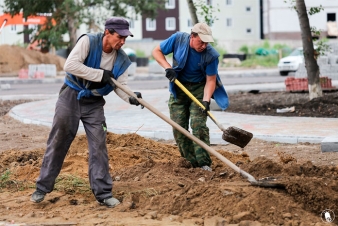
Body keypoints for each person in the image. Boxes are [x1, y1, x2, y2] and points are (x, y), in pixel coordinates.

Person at [30, 17, 143, 208]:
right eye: (120, 37)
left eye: (126, 38)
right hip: (71, 96)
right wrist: (100, 75)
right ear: (108, 32)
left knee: (99, 147)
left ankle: (104, 194)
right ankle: (42, 187)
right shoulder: (88, 41)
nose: (123, 41)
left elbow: (120, 86)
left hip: (94, 103)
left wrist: (131, 97)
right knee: (58, 141)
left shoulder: (122, 59)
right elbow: (70, 66)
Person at [152, 22, 229, 171]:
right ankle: (189, 163)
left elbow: (211, 80)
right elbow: (156, 51)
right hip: (179, 88)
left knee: (198, 125)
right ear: (192, 36)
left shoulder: (211, 55)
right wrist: (168, 68)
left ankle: (204, 164)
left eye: (207, 42)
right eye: (201, 42)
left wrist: (206, 100)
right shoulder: (178, 39)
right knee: (179, 127)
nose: (204, 46)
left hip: (200, 89)